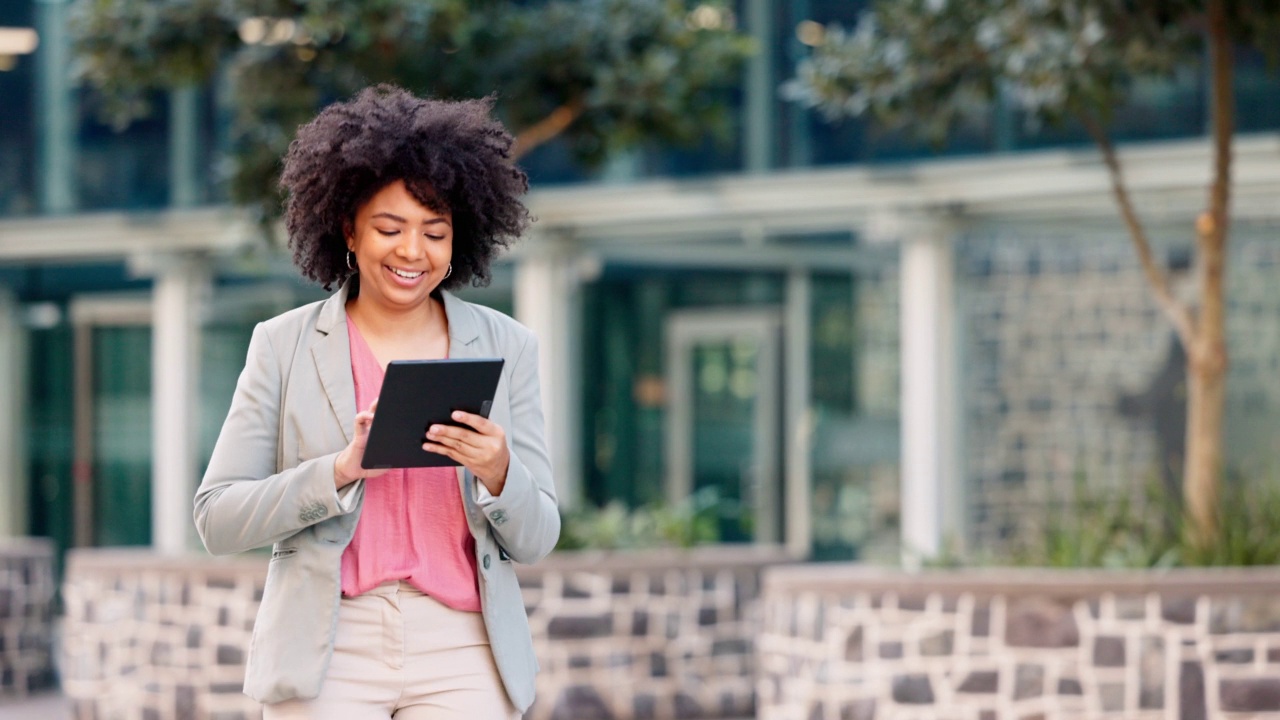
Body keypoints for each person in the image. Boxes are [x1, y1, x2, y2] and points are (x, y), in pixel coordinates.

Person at [194, 85, 559, 719]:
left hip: (464, 643)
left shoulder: (508, 345)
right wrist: (339, 471)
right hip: (329, 645)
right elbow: (217, 519)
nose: (413, 252)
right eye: (390, 228)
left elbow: (538, 537)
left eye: (435, 233)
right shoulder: (283, 344)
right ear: (348, 230)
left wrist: (501, 472)